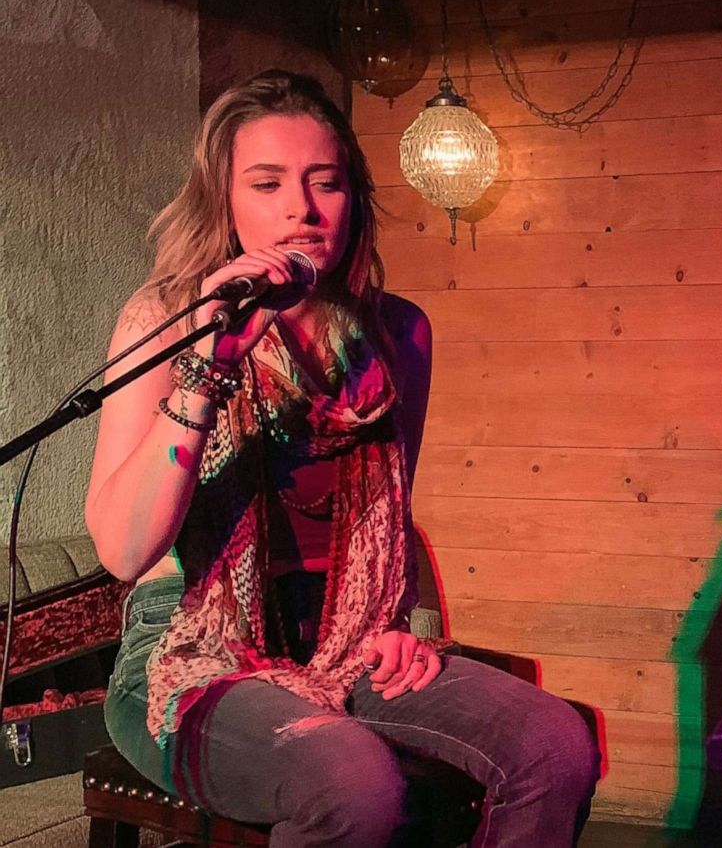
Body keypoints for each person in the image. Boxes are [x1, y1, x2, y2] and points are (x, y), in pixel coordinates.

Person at [86, 70, 599, 846]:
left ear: (353, 197)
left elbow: (391, 528)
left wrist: (405, 624)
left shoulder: (397, 333)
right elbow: (124, 550)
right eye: (267, 183)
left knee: (555, 744)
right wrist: (208, 366)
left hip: (348, 634)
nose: (301, 208)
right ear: (223, 198)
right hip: (188, 648)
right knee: (348, 779)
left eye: (325, 182)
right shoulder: (167, 317)